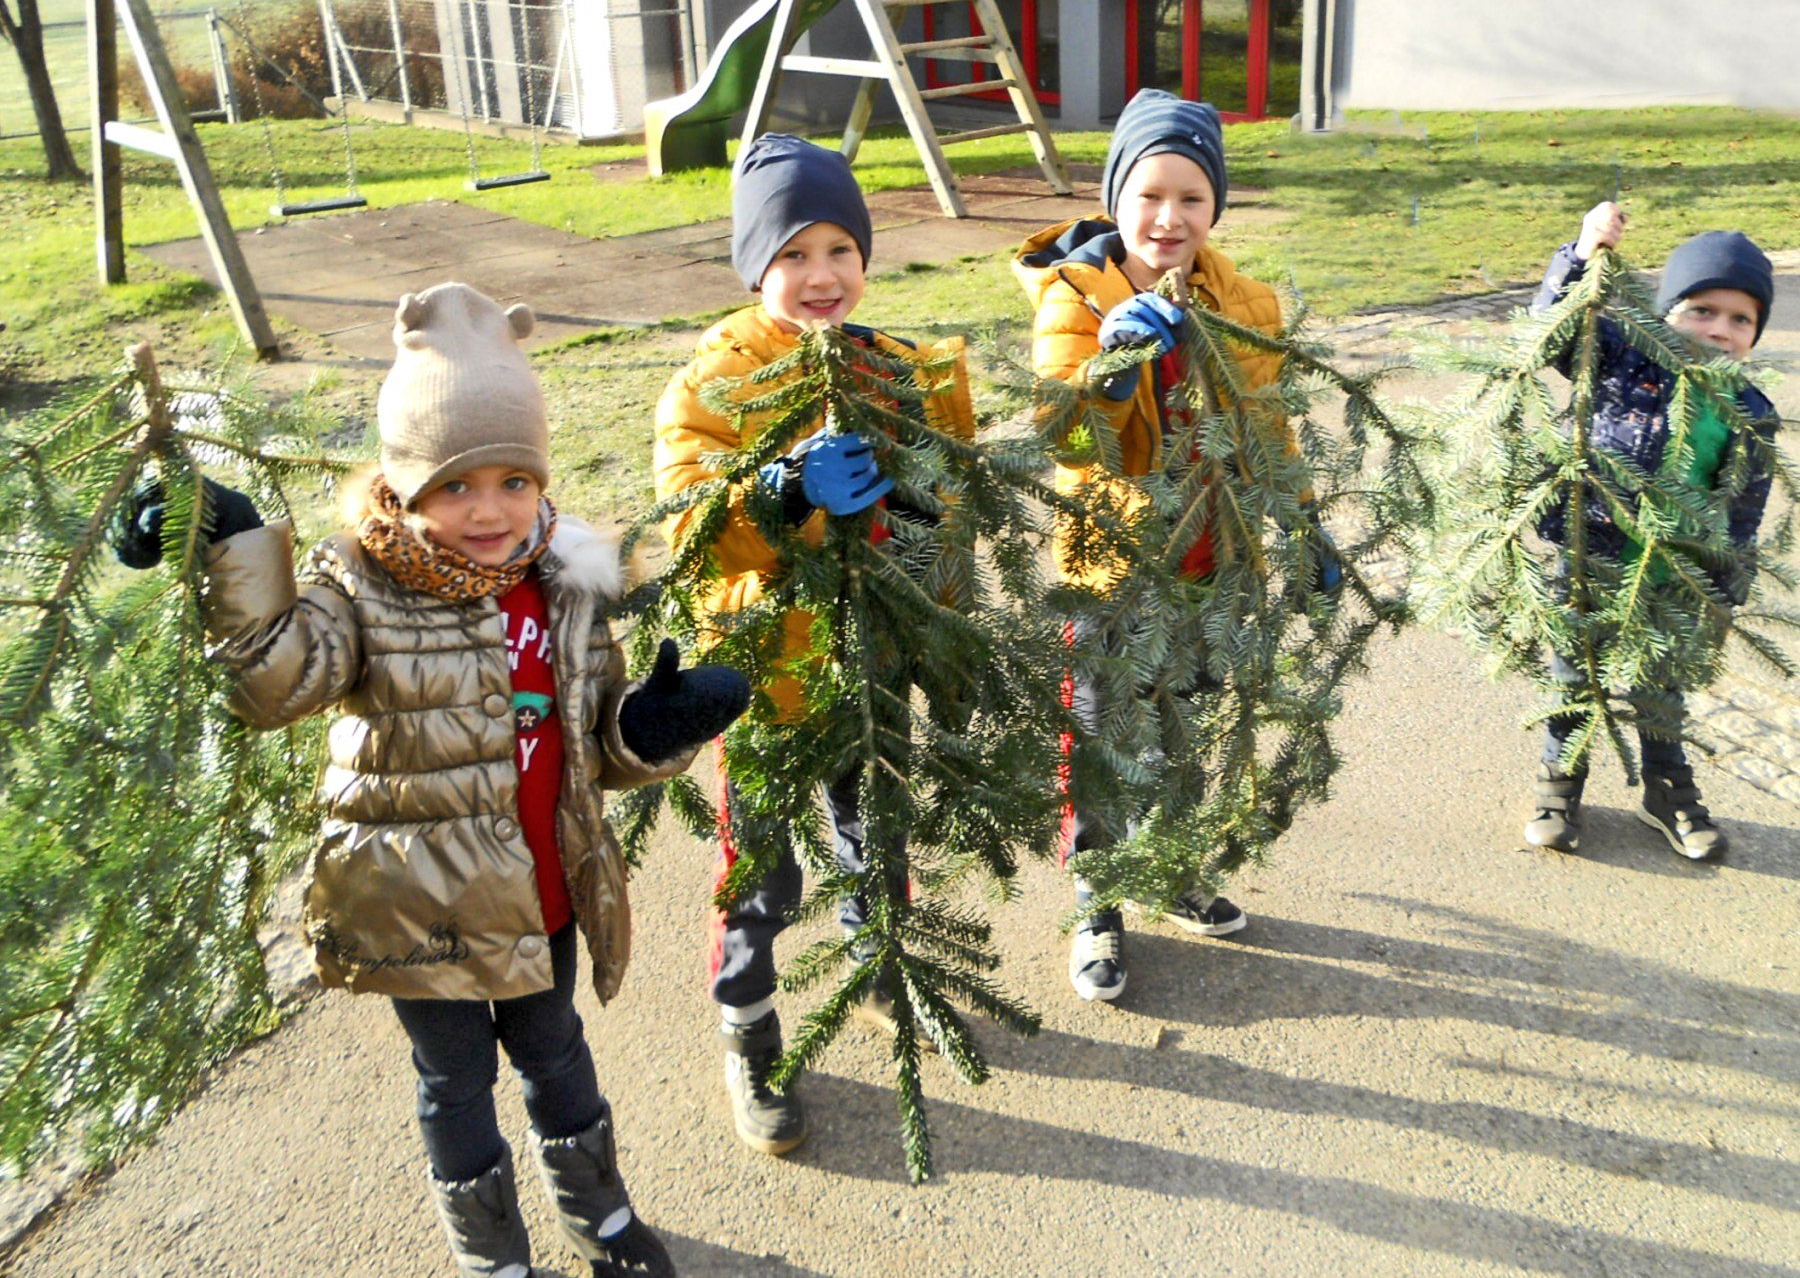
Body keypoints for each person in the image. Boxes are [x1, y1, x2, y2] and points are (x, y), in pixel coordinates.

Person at [116, 283, 749, 1278]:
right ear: (405, 486)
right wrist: (232, 546)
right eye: (455, 486)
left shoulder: (566, 585)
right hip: (420, 909)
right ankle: (492, 1253)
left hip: (543, 893)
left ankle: (601, 1216)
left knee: (557, 1052)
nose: (489, 509)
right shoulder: (360, 587)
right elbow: (273, 684)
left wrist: (651, 727)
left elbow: (595, 742)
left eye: (513, 479)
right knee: (454, 1081)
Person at [653, 134, 974, 1156]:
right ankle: (749, 1030)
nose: (821, 273)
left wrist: (939, 598)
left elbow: (951, 500)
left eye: (840, 248)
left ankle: (882, 971)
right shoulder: (714, 382)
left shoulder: (898, 368)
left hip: (871, 665)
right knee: (759, 874)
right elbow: (691, 524)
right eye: (792, 253)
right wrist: (782, 489)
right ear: (756, 266)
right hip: (763, 675)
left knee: (875, 834)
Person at [1013, 88, 1335, 1003]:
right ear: (1116, 198)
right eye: (1148, 195)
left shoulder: (1246, 302)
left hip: (1211, 561)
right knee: (1106, 736)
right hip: (1113, 569)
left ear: (1215, 206)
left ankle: (1172, 866)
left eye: (1191, 197)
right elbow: (1062, 431)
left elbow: (1269, 425)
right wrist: (1112, 370)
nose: (1168, 217)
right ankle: (1098, 898)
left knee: (1187, 728)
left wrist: (1302, 516)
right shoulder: (1076, 297)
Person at [1524, 203, 1778, 860]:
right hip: (1594, 556)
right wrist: (1583, 251)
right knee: (1574, 679)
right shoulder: (1620, 358)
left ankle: (1666, 791)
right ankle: (1560, 783)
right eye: (1702, 310)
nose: (1719, 329)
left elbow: (1742, 511)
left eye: (1741, 319)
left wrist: (1723, 585)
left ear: (1755, 333)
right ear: (1665, 313)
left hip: (1675, 577)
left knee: (1662, 693)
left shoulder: (1750, 410)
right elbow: (1550, 330)